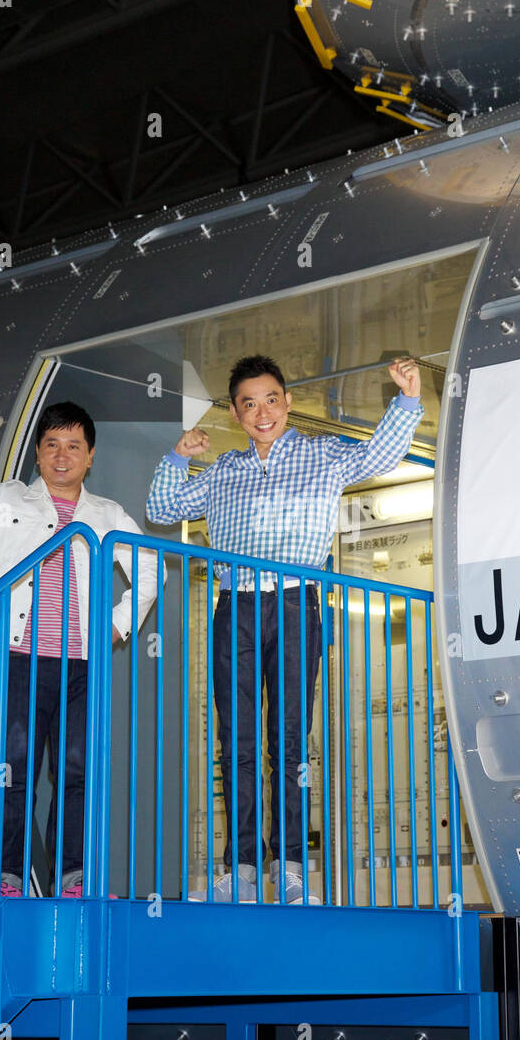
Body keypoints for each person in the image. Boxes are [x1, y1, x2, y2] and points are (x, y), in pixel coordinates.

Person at [146, 353, 423, 904]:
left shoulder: (323, 455)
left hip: (297, 603)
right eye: (249, 403)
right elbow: (161, 505)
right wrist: (178, 456)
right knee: (237, 741)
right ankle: (244, 867)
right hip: (238, 606)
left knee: (290, 742)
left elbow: (380, 453)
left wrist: (409, 400)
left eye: (271, 399)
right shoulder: (225, 470)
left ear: (288, 401)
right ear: (235, 412)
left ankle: (292, 866)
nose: (262, 412)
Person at [0, 383, 157, 898]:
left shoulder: (108, 514)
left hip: (81, 662)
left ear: (90, 456)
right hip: (20, 655)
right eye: (52, 444)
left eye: (74, 446)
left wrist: (118, 626)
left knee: (77, 770)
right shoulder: (10, 498)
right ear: (37, 451)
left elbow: (149, 568)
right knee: (15, 771)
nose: (62, 455)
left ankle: (73, 877)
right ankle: (7, 877)